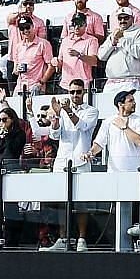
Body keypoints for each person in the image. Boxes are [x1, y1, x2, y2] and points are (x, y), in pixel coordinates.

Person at [38, 80, 98, 250]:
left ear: (84, 92)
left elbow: (82, 126)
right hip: (62, 160)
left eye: (78, 92)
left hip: (81, 161)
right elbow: (55, 135)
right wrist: (56, 118)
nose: (74, 95)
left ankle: (81, 239)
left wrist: (67, 111)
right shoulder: (63, 111)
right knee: (61, 201)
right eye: (72, 92)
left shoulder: (91, 111)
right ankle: (63, 239)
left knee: (81, 203)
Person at [89, 89, 140, 252]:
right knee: (116, 210)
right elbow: (99, 144)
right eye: (130, 100)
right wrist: (90, 153)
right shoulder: (108, 121)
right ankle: (117, 245)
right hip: (114, 173)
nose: (134, 103)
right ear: (120, 104)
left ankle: (136, 244)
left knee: (134, 209)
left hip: (134, 173)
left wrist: (124, 127)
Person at [98, 11, 140, 91]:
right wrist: (113, 42)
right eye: (120, 18)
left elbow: (138, 53)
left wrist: (122, 39)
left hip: (130, 80)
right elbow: (101, 56)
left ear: (132, 19)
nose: (122, 21)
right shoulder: (113, 34)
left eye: (126, 18)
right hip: (111, 80)